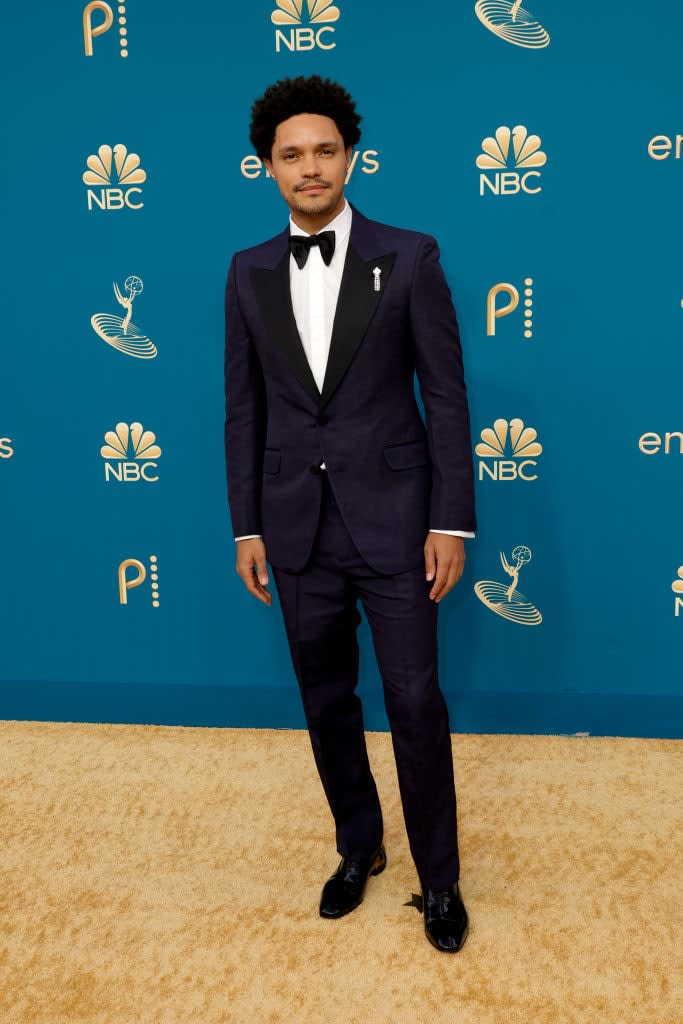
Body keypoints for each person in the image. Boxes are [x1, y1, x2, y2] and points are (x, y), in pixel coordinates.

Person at [224, 75, 476, 953]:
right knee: (326, 698)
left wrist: (450, 521)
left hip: (400, 523)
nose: (309, 167)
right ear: (266, 168)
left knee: (415, 701)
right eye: (289, 154)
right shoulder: (247, 269)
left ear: (350, 157)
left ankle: (438, 880)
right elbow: (243, 408)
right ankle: (357, 846)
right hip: (295, 529)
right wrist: (246, 527)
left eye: (324, 150)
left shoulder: (410, 256)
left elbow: (444, 396)